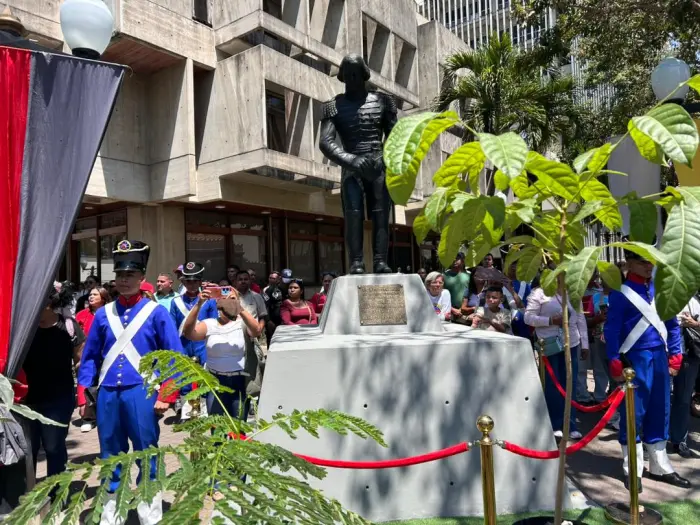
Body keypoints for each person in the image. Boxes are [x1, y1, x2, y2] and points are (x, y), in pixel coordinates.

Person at [78, 240, 184, 525]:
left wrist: (167, 394)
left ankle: (150, 516)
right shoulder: (104, 314)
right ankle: (111, 515)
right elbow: (90, 358)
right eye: (120, 275)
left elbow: (175, 357)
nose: (124, 280)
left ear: (141, 277)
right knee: (110, 455)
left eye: (130, 274)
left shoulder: (156, 312)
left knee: (147, 452)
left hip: (142, 391)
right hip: (108, 394)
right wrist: (83, 397)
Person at [605, 244, 690, 490]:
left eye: (650, 261)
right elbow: (612, 329)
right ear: (629, 263)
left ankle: (660, 466)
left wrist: (676, 353)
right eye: (642, 261)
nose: (648, 266)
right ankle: (632, 468)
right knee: (635, 412)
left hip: (659, 356)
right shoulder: (621, 293)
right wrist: (614, 359)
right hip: (636, 358)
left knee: (660, 409)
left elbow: (672, 324)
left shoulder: (660, 291)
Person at [23, 284, 84, 494]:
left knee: (53, 446)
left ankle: (57, 492)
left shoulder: (69, 326)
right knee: (28, 449)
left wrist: (84, 392)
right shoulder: (24, 327)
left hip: (59, 398)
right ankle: (27, 493)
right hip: (26, 399)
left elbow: (80, 359)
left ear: (52, 302)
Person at [182, 288, 261, 421]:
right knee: (217, 425)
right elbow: (189, 334)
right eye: (222, 300)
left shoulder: (242, 323)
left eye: (230, 299)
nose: (226, 303)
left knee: (238, 425)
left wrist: (239, 308)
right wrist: (199, 304)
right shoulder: (209, 323)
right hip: (215, 380)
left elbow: (256, 331)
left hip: (240, 381)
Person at [525, 281, 589, 441]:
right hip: (550, 344)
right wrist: (550, 321)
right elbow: (528, 318)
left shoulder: (574, 291)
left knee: (570, 383)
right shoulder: (539, 293)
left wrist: (585, 344)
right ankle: (555, 424)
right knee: (553, 385)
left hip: (572, 343)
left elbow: (580, 318)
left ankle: (571, 424)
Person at [170, 262, 218, 421]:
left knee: (204, 376)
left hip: (202, 344)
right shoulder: (176, 301)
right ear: (183, 282)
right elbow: (172, 327)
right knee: (184, 378)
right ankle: (187, 412)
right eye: (188, 281)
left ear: (200, 282)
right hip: (183, 344)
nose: (191, 284)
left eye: (195, 281)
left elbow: (213, 324)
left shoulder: (209, 301)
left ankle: (203, 411)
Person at [670, 289, 700, 458]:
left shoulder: (695, 300)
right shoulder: (659, 296)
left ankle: (679, 440)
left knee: (682, 399)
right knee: (658, 397)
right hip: (662, 352)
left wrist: (695, 324)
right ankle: (652, 439)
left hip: (689, 353)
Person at [75, 286, 110, 433]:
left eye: (95, 294)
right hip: (87, 356)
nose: (91, 297)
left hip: (107, 355)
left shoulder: (110, 313)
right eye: (90, 294)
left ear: (103, 298)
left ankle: (104, 415)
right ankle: (88, 417)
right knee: (86, 384)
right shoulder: (82, 315)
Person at [502, 262, 531, 339]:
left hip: (524, 324)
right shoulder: (500, 284)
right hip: (506, 324)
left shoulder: (525, 284)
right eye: (511, 264)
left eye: (516, 264)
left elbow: (529, 305)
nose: (514, 267)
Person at [443, 253, 471, 323]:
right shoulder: (444, 276)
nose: (454, 260)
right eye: (452, 258)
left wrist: (463, 309)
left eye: (457, 258)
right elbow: (440, 296)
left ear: (463, 261)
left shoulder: (470, 275)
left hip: (466, 313)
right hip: (449, 312)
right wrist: (452, 309)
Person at [263, 271, 285, 343]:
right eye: (270, 278)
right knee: (271, 340)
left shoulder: (282, 290)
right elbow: (265, 306)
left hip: (282, 320)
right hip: (271, 320)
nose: (271, 280)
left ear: (279, 279)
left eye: (274, 278)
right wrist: (268, 321)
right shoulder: (266, 290)